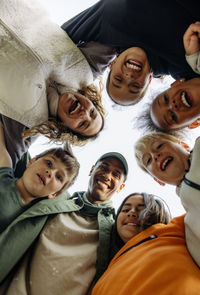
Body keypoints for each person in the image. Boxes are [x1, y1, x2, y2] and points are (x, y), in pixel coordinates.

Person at [0, 152, 128, 295]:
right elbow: (18, 149)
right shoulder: (57, 196)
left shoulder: (115, 231)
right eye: (104, 168)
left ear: (121, 187)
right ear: (92, 170)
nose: (107, 175)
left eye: (116, 175)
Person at [0, 0, 104, 147]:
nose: (84, 113)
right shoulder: (81, 69)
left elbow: (10, 154)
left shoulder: (27, 117)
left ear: (65, 127)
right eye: (92, 112)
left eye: (82, 124)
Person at [62, 0, 200, 105]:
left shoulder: (105, 29)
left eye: (118, 79)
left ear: (112, 64)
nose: (129, 76)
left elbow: (55, 41)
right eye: (135, 86)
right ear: (149, 79)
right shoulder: (181, 66)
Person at [90, 192, 200, 295]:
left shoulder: (174, 232)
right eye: (125, 210)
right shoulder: (108, 267)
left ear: (157, 214)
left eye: (141, 209)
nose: (131, 213)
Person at [135, 131, 200, 266]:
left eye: (159, 146)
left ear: (184, 145)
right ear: (158, 180)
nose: (155, 156)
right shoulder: (187, 224)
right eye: (148, 160)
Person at [0, 123, 80, 233]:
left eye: (58, 177)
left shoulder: (32, 219)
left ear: (55, 194)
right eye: (49, 163)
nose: (50, 172)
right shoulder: (4, 171)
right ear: (31, 161)